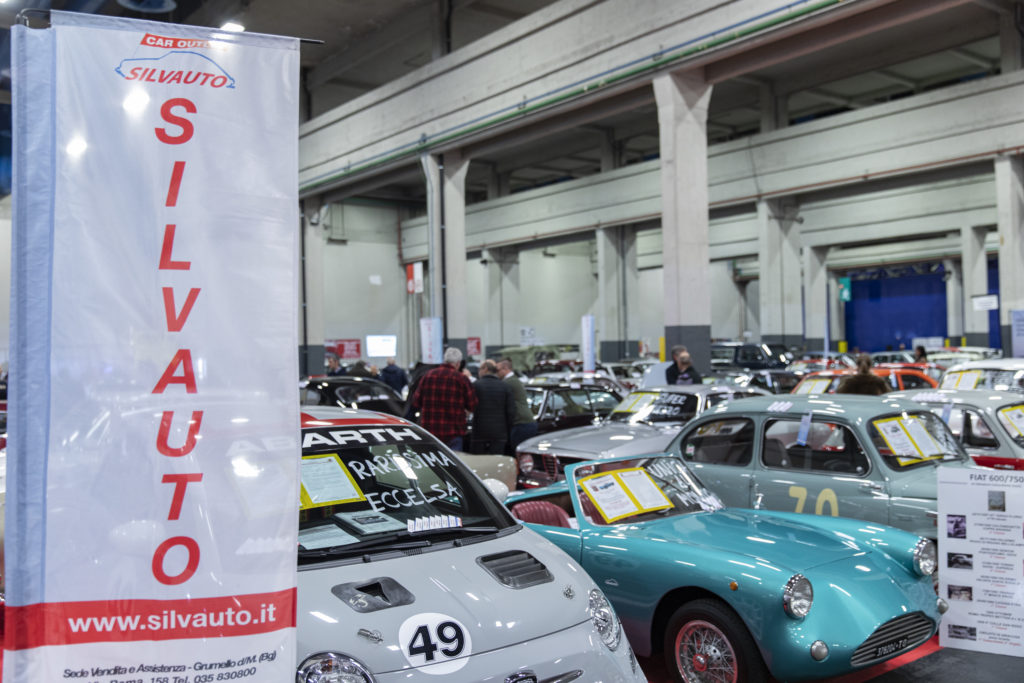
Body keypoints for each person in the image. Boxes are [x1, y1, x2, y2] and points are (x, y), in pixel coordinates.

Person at [410, 347, 478, 451]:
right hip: (454, 433)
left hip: (430, 432)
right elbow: (472, 404)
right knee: (453, 460)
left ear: (445, 360)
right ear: (458, 364)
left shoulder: (428, 376)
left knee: (433, 460)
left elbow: (416, 402)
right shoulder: (462, 379)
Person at [470, 359, 515, 455]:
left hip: (479, 432)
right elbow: (511, 412)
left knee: (478, 460)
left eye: (479, 369)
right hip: (499, 433)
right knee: (497, 459)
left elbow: (470, 406)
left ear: (485, 369)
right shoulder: (505, 386)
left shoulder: (476, 385)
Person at [498, 358, 538, 452]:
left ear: (505, 368)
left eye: (498, 370)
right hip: (525, 422)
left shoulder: (508, 383)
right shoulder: (513, 380)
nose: (496, 373)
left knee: (518, 453)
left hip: (521, 423)